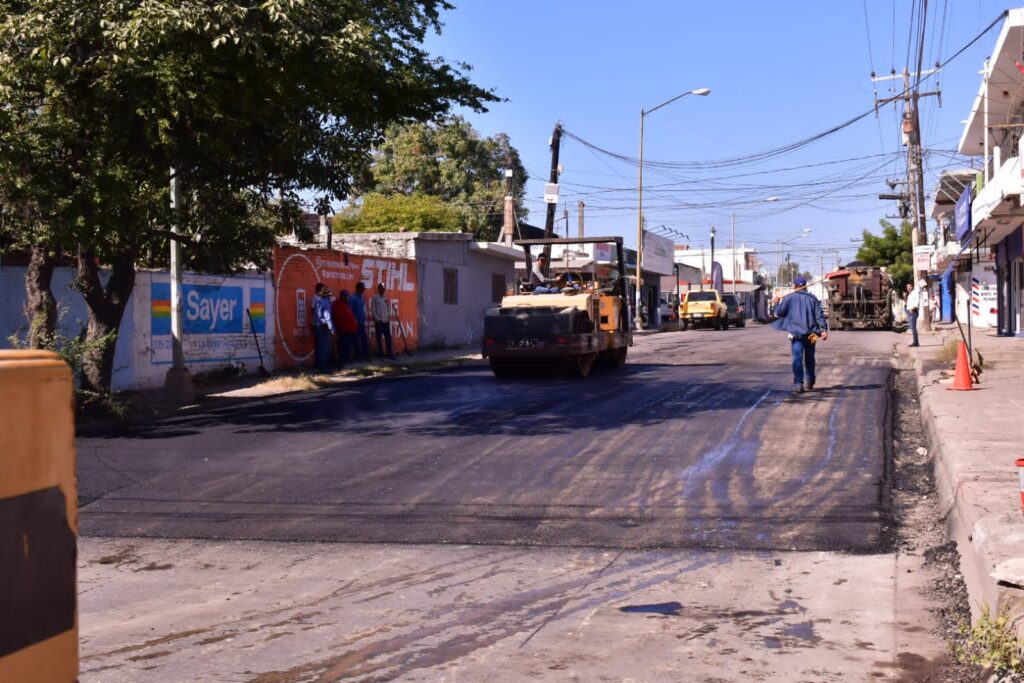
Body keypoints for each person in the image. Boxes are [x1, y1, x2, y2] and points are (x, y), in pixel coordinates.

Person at [771, 276, 828, 393]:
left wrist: (776, 303)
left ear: (795, 286)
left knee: (797, 359)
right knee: (810, 358)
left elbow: (777, 313)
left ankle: (798, 384)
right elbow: (819, 316)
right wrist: (823, 330)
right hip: (812, 335)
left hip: (796, 335)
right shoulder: (813, 299)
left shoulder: (788, 298)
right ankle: (810, 381)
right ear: (805, 286)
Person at [311, 282, 335, 373]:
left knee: (321, 347)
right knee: (325, 347)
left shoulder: (318, 302)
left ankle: (320, 366)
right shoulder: (326, 303)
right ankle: (324, 368)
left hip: (318, 325)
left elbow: (316, 314)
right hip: (324, 326)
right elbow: (327, 316)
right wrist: (332, 329)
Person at [332, 289, 359, 367]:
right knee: (343, 346)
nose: (347, 298)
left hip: (351, 329)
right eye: (345, 296)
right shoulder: (337, 304)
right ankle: (343, 360)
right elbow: (336, 317)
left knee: (349, 345)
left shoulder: (346, 304)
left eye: (347, 296)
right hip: (343, 330)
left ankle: (349, 359)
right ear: (341, 296)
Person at [369, 282, 395, 359]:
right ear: (379, 288)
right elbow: (373, 309)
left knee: (388, 337)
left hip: (385, 321)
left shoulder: (385, 298)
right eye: (381, 288)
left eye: (384, 288)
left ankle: (389, 354)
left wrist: (388, 317)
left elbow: (388, 309)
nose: (383, 290)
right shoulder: (375, 297)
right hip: (379, 321)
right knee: (379, 338)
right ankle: (381, 353)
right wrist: (377, 319)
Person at [349, 281, 369, 359]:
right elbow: (349, 310)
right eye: (361, 289)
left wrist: (364, 316)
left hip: (362, 321)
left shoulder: (362, 297)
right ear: (357, 288)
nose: (362, 291)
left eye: (363, 289)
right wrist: (354, 319)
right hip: (355, 323)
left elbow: (363, 308)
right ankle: (357, 356)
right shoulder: (352, 298)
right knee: (356, 340)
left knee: (364, 338)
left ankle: (365, 355)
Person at [905, 281, 923, 347]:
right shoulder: (909, 294)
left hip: (913, 312)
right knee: (912, 328)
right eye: (907, 287)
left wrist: (912, 309)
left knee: (913, 328)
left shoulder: (915, 293)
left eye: (909, 286)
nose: (908, 288)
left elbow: (916, 302)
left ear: (912, 287)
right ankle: (915, 342)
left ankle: (916, 342)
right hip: (909, 312)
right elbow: (908, 304)